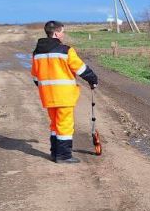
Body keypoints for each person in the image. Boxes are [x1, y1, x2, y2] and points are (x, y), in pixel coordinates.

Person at [31, 21, 99, 163]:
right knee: (65, 124)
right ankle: (64, 156)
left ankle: (55, 153)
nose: (63, 34)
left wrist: (46, 88)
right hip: (64, 96)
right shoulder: (66, 50)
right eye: (62, 32)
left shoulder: (37, 53)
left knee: (55, 124)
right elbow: (80, 69)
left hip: (48, 96)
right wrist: (93, 79)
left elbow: (35, 77)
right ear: (56, 33)